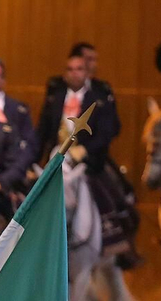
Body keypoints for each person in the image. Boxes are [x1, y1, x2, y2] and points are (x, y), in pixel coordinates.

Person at [38, 47, 139, 266]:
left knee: (115, 194)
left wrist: (85, 150)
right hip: (56, 159)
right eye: (70, 69)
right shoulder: (55, 96)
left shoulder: (99, 96)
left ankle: (119, 240)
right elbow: (43, 131)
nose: (74, 74)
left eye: (79, 69)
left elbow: (108, 130)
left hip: (88, 160)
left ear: (86, 73)